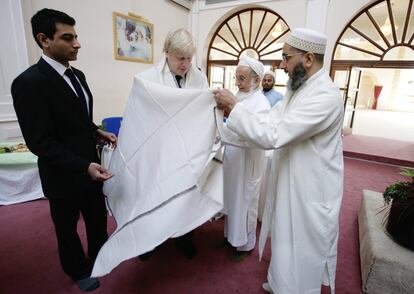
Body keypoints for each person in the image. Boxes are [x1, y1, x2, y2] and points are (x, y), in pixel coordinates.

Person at [213, 28, 344, 293]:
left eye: (286, 58)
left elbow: (274, 133)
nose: (282, 65)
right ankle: (279, 283)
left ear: (308, 58)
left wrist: (235, 109)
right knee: (283, 238)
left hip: (310, 189)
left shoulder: (325, 96)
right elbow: (270, 120)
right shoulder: (298, 90)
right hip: (289, 178)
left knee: (302, 248)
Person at [11, 8, 116, 292]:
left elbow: (77, 116)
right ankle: (77, 269)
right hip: (62, 175)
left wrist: (96, 130)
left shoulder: (78, 74)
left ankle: (99, 256)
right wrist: (83, 166)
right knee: (67, 229)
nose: (77, 44)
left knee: (96, 220)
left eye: (76, 37)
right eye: (67, 38)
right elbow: (40, 142)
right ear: (44, 39)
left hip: (91, 167)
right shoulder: (28, 83)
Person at [138, 28, 209, 259]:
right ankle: (151, 242)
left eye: (189, 58)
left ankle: (184, 238)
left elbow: (203, 110)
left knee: (185, 197)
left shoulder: (199, 77)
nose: (186, 64)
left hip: (188, 149)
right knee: (155, 198)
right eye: (181, 58)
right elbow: (141, 117)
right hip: (159, 151)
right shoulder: (148, 78)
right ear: (167, 52)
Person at [220, 56, 270, 262]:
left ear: (256, 81)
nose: (237, 83)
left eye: (242, 79)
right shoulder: (240, 96)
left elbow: (255, 135)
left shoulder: (262, 104)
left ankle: (245, 245)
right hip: (232, 158)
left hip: (248, 163)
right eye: (237, 78)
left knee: (246, 202)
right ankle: (230, 237)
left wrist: (226, 128)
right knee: (232, 199)